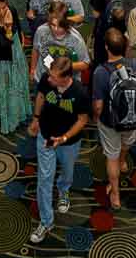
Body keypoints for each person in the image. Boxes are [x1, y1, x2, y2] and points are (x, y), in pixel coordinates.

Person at [28, 56, 90, 243]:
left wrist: (64, 138)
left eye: (54, 78)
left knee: (67, 171)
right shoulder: (47, 83)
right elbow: (40, 96)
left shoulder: (79, 93)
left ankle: (64, 191)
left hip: (68, 142)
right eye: (50, 75)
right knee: (44, 180)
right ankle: (47, 222)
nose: (49, 79)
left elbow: (82, 120)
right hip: (46, 137)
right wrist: (36, 118)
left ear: (66, 78)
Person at [93, 28, 136, 210]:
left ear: (106, 48)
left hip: (110, 121)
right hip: (132, 118)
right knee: (126, 143)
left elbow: (99, 105)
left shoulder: (101, 72)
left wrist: (97, 118)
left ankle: (115, 193)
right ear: (125, 47)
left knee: (111, 155)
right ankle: (123, 161)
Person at [0, 0, 32, 135]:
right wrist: (7, 27)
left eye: (3, 7)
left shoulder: (12, 9)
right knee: (6, 87)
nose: (1, 11)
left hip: (16, 50)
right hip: (3, 59)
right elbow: (5, 43)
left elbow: (18, 26)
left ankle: (22, 111)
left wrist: (21, 38)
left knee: (19, 81)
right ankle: (10, 119)